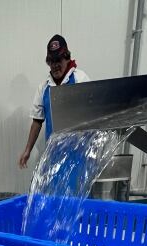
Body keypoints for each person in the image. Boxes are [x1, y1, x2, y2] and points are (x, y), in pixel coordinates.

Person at [18, 34, 90, 169]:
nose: (55, 65)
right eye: (51, 61)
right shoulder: (44, 87)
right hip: (54, 156)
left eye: (58, 60)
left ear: (67, 58)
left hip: (79, 155)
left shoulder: (80, 79)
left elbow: (93, 115)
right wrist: (28, 150)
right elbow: (37, 121)